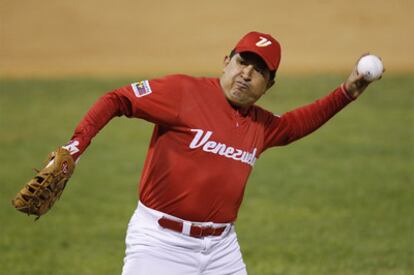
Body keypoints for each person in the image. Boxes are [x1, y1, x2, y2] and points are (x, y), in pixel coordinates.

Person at [62, 31, 380, 275]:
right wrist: (75, 148)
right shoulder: (183, 92)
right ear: (226, 62)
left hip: (221, 249)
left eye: (258, 71)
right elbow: (117, 99)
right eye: (242, 62)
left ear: (269, 85)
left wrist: (347, 92)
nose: (246, 75)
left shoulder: (261, 126)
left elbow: (297, 124)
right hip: (160, 244)